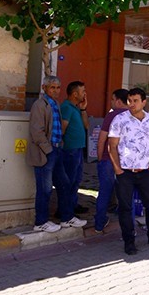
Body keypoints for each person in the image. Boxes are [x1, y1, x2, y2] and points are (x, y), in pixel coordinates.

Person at [108, 87, 149, 255]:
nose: (132, 104)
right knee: (125, 207)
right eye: (129, 100)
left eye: (135, 100)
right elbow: (112, 146)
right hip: (125, 172)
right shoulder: (119, 119)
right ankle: (129, 241)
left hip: (145, 171)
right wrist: (118, 169)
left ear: (144, 102)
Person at [26, 76, 65, 233]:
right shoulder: (39, 105)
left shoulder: (55, 104)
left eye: (58, 87)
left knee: (64, 184)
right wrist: (48, 150)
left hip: (56, 149)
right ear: (44, 87)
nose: (55, 90)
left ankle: (67, 217)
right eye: (52, 87)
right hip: (46, 152)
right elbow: (37, 132)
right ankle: (41, 222)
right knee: (45, 189)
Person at [94, 88, 128, 233]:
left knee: (104, 192)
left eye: (113, 99)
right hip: (126, 162)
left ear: (119, 101)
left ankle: (99, 224)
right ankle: (127, 225)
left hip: (109, 159)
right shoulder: (134, 116)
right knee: (126, 193)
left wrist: (100, 158)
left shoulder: (112, 115)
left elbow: (102, 139)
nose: (112, 102)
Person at [57, 81, 89, 228]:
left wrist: (83, 109)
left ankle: (71, 206)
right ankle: (65, 212)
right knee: (68, 182)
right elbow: (62, 129)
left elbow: (86, 126)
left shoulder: (75, 108)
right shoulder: (66, 108)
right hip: (70, 151)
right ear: (75, 94)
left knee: (76, 180)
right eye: (82, 91)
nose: (84, 94)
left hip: (78, 149)